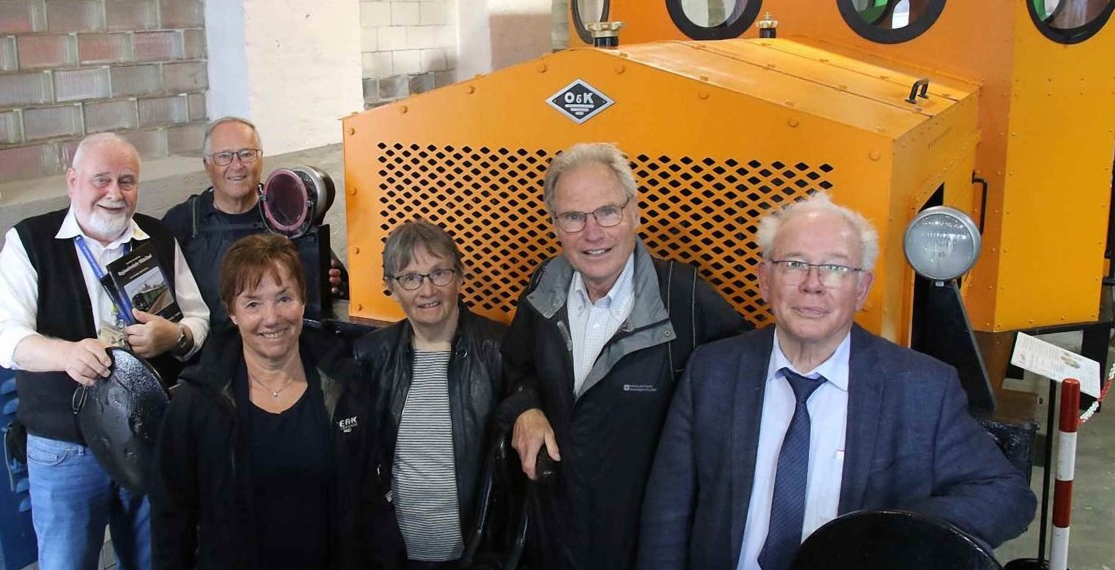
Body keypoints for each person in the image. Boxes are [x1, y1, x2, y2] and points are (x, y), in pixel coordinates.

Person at [637, 192, 1037, 570]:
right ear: (764, 280)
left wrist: (896, 531)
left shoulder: (922, 389)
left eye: (835, 268)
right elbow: (667, 512)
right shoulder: (712, 372)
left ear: (862, 289)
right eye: (793, 264)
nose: (812, 284)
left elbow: (1007, 494)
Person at [500, 142, 751, 570]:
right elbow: (516, 368)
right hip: (555, 535)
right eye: (573, 217)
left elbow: (745, 390)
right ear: (555, 225)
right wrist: (527, 408)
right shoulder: (544, 286)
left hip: (644, 546)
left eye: (607, 212)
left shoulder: (686, 299)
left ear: (634, 213)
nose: (592, 233)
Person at [0, 132, 210, 570]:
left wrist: (174, 337)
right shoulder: (29, 241)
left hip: (149, 437)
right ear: (72, 181)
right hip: (65, 448)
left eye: (127, 181)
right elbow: (5, 337)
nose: (115, 193)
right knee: (67, 562)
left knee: (154, 559)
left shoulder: (158, 237)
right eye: (101, 180)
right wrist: (66, 355)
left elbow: (198, 318)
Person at [151, 234, 382, 568]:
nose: (272, 318)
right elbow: (171, 520)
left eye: (284, 298)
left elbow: (371, 505)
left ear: (303, 300)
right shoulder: (197, 404)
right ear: (231, 312)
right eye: (253, 304)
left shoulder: (345, 387)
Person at [354, 220, 505, 569]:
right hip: (395, 555)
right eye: (410, 278)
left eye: (439, 273)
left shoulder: (498, 350)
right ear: (391, 287)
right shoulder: (370, 356)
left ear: (460, 276)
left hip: (474, 555)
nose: (427, 290)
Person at [162, 116, 348, 339]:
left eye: (246, 154)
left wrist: (332, 283)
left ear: (261, 160)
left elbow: (336, 283)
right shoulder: (182, 222)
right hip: (212, 350)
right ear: (207, 165)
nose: (237, 165)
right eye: (224, 156)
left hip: (285, 341)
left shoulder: (288, 209)